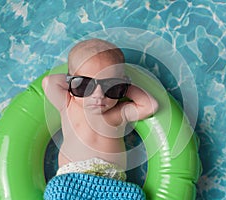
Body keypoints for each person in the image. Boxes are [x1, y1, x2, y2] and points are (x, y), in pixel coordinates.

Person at [42, 38, 158, 198]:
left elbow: (150, 106)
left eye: (110, 86)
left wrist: (125, 86)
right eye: (84, 86)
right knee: (56, 189)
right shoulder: (68, 105)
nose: (98, 96)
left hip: (112, 183)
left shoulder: (120, 113)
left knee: (136, 195)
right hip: (72, 180)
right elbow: (48, 82)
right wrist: (75, 78)